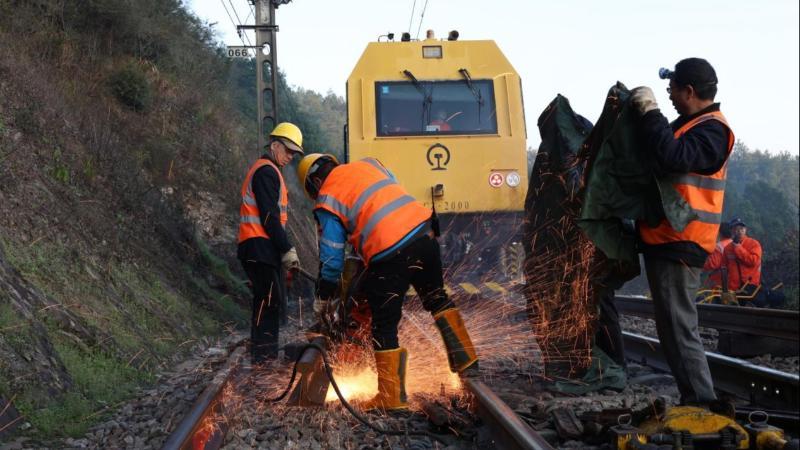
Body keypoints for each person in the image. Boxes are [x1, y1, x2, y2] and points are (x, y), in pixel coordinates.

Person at [297, 153, 479, 411]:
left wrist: (324, 297)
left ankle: (391, 397)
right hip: (424, 233)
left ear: (314, 182)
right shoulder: (369, 164)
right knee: (437, 299)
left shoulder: (327, 197)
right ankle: (469, 363)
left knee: (384, 324)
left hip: (389, 252)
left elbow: (332, 259)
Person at [630, 58, 734, 405]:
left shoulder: (712, 130)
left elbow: (674, 156)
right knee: (672, 328)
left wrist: (650, 113)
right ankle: (696, 400)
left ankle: (703, 404)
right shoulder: (689, 126)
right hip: (668, 239)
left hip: (683, 241)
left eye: (672, 88)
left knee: (678, 327)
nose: (669, 94)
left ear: (689, 91)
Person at [237, 122, 304, 364]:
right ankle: (263, 361)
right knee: (269, 300)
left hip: (259, 246)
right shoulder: (266, 171)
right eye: (287, 151)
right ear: (274, 145)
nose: (289, 157)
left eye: (293, 154)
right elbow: (268, 217)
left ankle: (261, 357)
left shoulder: (270, 171)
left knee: (266, 300)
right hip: (258, 245)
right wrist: (286, 248)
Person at [722, 218, 762, 294]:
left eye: (741, 228)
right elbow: (724, 268)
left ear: (745, 229)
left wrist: (737, 247)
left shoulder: (754, 244)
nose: (739, 231)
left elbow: (752, 261)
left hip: (749, 289)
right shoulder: (727, 248)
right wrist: (725, 289)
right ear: (731, 231)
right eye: (736, 229)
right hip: (732, 290)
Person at [702, 222, 732, 289]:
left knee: (703, 296)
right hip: (731, 280)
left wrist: (700, 264)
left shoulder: (719, 246)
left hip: (718, 280)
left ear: (720, 232)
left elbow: (713, 264)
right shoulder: (733, 243)